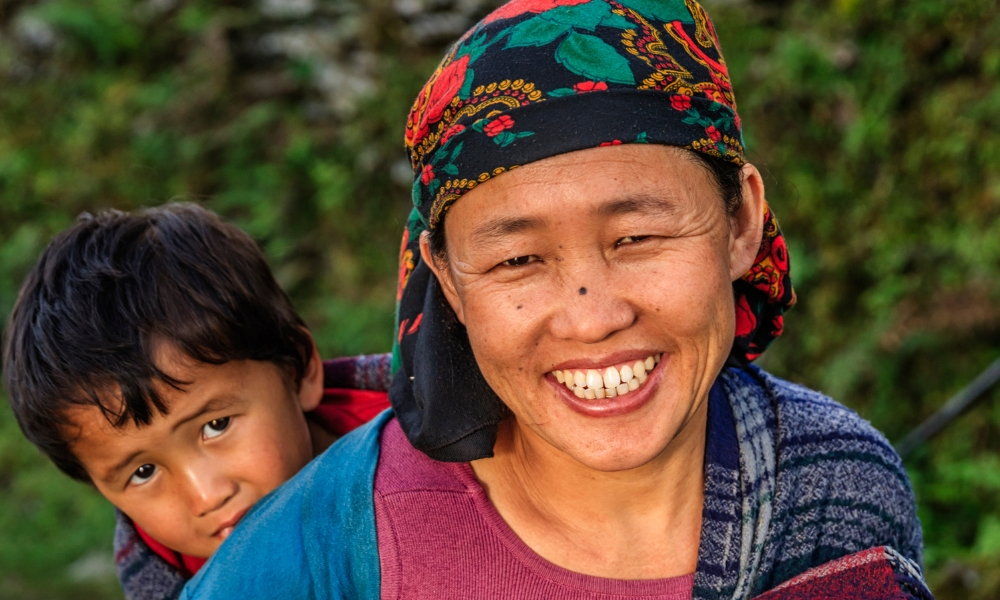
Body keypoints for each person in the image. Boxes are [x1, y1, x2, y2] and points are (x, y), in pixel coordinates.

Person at [180, 0, 934, 598]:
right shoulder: (334, 538)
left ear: (740, 221)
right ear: (447, 278)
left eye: (637, 239)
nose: (592, 316)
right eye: (517, 259)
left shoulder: (837, 485)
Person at [1, 204, 391, 599]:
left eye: (215, 426)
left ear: (298, 369)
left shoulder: (428, 445)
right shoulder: (172, 581)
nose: (206, 496)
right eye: (144, 471)